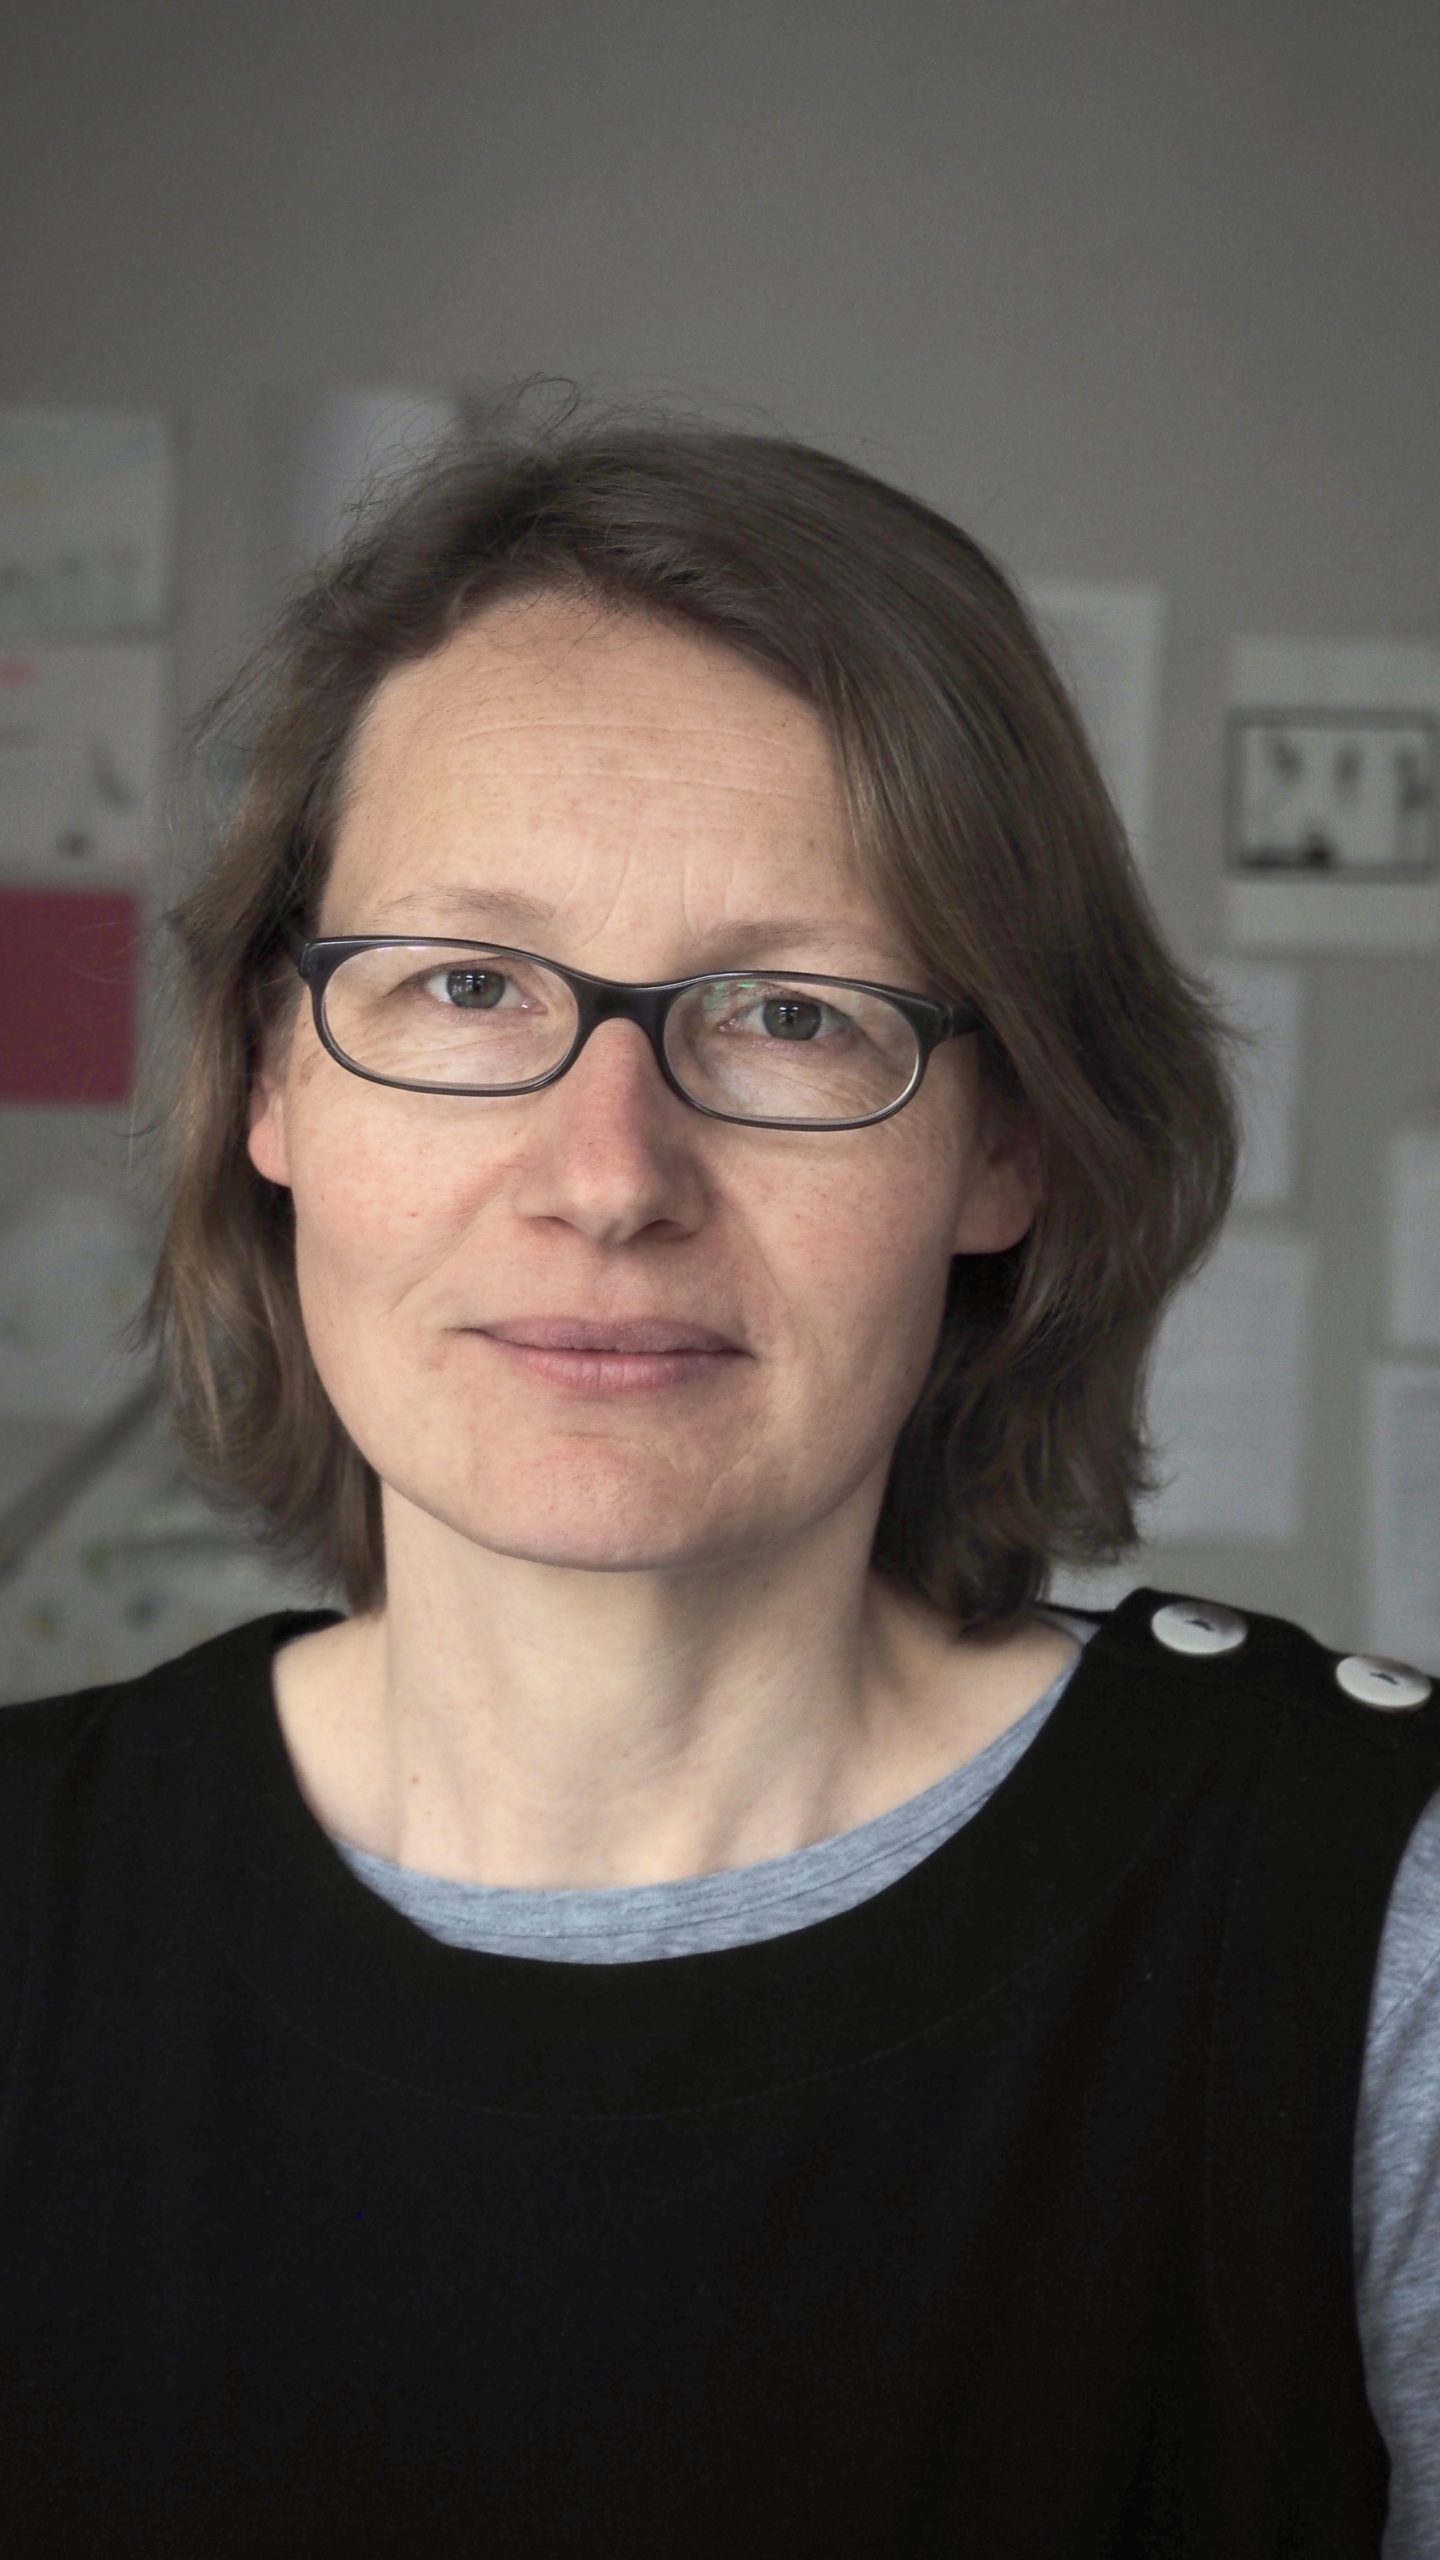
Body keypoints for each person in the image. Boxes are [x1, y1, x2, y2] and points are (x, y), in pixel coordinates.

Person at [1, 392, 1436, 2558]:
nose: (608, 1177)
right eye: (465, 982)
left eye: (790, 1014)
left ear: (1012, 1143)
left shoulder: (1381, 1932)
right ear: (274, 1079)